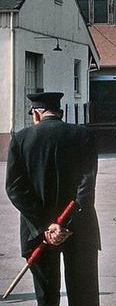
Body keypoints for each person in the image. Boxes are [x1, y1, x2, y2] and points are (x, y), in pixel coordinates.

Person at [5, 92, 100, 306]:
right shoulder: (82, 135)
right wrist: (64, 224)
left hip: (38, 230)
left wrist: (45, 225)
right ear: (61, 113)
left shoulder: (21, 139)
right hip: (79, 227)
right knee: (84, 293)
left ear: (37, 115)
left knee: (46, 295)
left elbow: (14, 188)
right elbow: (86, 185)